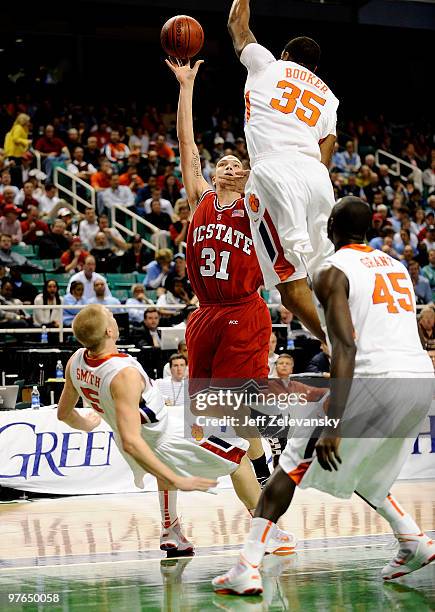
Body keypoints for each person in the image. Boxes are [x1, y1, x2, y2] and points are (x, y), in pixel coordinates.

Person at [213, 196, 434, 594]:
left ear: (331, 226)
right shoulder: (397, 266)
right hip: (419, 380)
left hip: (373, 379)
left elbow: (344, 347)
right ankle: (412, 538)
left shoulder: (332, 271)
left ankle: (247, 565)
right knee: (364, 470)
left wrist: (334, 420)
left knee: (289, 469)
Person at [58, 304, 287, 554]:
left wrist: (88, 424)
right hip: (159, 438)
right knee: (239, 456)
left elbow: (64, 413)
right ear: (109, 332)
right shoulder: (122, 375)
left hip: (147, 435)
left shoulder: (76, 360)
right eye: (110, 317)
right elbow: (132, 441)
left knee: (163, 468)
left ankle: (171, 530)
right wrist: (180, 479)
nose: (114, 317)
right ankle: (266, 533)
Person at [166, 59, 275, 497]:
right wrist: (186, 86)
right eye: (224, 163)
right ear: (213, 173)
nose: (231, 166)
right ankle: (262, 467)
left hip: (242, 310)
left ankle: (260, 473)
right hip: (205, 313)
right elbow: (185, 141)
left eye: (238, 164)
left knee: (228, 413)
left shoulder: (256, 205)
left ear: (247, 174)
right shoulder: (200, 201)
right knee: (211, 415)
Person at [227, 0, 339, 342]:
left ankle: (338, 344)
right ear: (314, 69)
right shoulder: (328, 97)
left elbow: (237, 24)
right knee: (325, 270)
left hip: (275, 172)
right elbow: (326, 153)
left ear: (286, 56)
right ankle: (356, 332)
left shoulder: (267, 63)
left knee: (288, 284)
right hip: (317, 179)